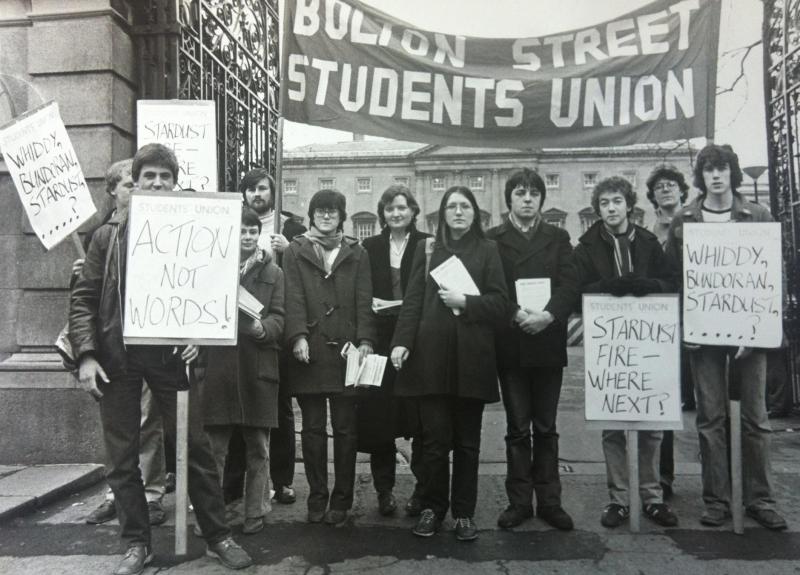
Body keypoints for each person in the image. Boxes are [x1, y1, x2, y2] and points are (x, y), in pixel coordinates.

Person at [69, 143, 252, 574]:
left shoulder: (193, 229)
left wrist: (201, 338)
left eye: (163, 177)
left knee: (195, 449)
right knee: (121, 457)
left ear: (175, 183)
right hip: (117, 358)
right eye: (145, 177)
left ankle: (218, 535)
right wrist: (86, 356)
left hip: (173, 358)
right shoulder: (105, 236)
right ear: (131, 185)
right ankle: (136, 544)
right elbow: (84, 300)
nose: (154, 184)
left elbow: (213, 289)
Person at [665, 144, 787, 530]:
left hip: (751, 336)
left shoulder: (758, 215)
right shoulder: (685, 219)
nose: (715, 176)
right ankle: (716, 500)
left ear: (732, 173)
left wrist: (761, 329)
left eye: (722, 169)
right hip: (703, 335)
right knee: (709, 418)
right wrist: (684, 328)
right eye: (708, 170)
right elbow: (674, 280)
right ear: (700, 177)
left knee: (756, 419)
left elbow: (771, 278)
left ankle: (760, 499)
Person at [554, 176, 678, 529]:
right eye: (605, 203)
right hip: (609, 345)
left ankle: (653, 496)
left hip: (650, 340)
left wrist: (649, 286)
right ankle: (619, 499)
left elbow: (672, 283)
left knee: (652, 424)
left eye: (617, 202)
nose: (611, 208)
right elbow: (574, 291)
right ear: (598, 210)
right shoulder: (585, 247)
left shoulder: (651, 243)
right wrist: (606, 288)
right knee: (613, 424)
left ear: (629, 206)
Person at [391, 186, 508, 541]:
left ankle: (464, 514)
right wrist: (400, 342)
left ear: (475, 213)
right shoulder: (428, 249)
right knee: (435, 441)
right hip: (431, 358)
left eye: (465, 206)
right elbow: (412, 301)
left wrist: (466, 301)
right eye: (452, 206)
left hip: (472, 360)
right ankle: (432, 508)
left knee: (468, 444)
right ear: (442, 213)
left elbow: (501, 304)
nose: (458, 212)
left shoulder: (488, 250)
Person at [486, 168, 575, 531]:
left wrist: (549, 316)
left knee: (547, 427)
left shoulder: (559, 236)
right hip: (512, 343)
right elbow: (491, 288)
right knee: (517, 427)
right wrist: (516, 314)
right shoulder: (493, 239)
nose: (527, 199)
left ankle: (551, 502)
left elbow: (570, 283)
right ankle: (519, 502)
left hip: (548, 342)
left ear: (541, 199)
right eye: (520, 193)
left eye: (533, 193)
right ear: (509, 199)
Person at [81, 159, 168, 528]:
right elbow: (87, 293)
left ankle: (151, 494)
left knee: (150, 421)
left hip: (156, 344)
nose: (138, 189)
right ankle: (118, 497)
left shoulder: (165, 228)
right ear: (114, 191)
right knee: (119, 431)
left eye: (139, 182)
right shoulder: (101, 235)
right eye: (130, 184)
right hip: (116, 345)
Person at [283, 189, 376, 526]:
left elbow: (365, 299)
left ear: (341, 216)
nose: (326, 216)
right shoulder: (295, 251)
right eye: (320, 211)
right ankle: (317, 497)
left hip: (348, 351)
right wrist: (297, 336)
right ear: (311, 215)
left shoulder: (357, 252)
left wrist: (366, 339)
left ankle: (342, 499)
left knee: (346, 429)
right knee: (312, 430)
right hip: (310, 350)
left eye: (332, 211)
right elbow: (291, 297)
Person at [203, 207, 285, 535]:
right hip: (220, 366)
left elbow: (280, 317)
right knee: (215, 448)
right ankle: (211, 516)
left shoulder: (274, 272)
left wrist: (262, 328)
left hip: (257, 367)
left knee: (259, 447)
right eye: (242, 231)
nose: (248, 237)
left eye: (253, 231)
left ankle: (256, 511)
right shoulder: (215, 266)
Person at [227, 169, 304, 506]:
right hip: (237, 337)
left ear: (272, 192)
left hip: (275, 330)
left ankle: (283, 479)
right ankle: (237, 482)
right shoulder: (233, 223)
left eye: (262, 188)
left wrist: (288, 250)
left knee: (280, 409)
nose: (257, 194)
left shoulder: (291, 227)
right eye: (251, 189)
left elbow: (304, 274)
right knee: (237, 409)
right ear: (243, 194)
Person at [360, 185, 431, 517]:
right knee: (379, 419)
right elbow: (363, 293)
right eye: (390, 209)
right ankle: (384, 490)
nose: (396, 214)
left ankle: (422, 489)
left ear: (413, 211)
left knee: (419, 419)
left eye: (402, 207)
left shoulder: (427, 244)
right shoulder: (370, 246)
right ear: (382, 214)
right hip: (380, 338)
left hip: (417, 339)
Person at [645, 163, 694, 500]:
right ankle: (664, 476)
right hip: (664, 324)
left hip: (701, 320)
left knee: (713, 407)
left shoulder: (697, 221)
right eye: (659, 186)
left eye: (671, 184)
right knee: (665, 401)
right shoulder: (649, 233)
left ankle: (730, 483)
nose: (666, 190)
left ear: (681, 190)